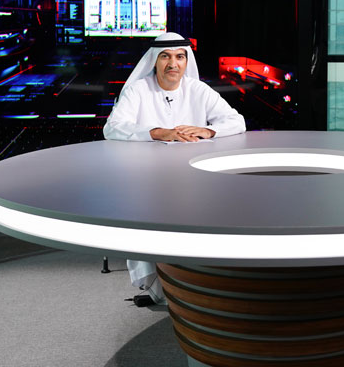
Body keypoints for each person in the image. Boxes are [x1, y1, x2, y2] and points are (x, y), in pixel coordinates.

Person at [103, 32, 246, 303]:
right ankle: (160, 288)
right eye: (165, 57)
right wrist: (158, 132)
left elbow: (236, 121)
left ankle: (196, 285)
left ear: (186, 61)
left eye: (180, 57)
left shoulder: (197, 90)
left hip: (195, 176)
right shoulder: (138, 90)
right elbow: (113, 127)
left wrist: (207, 130)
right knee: (149, 216)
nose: (173, 63)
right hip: (148, 176)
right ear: (154, 61)